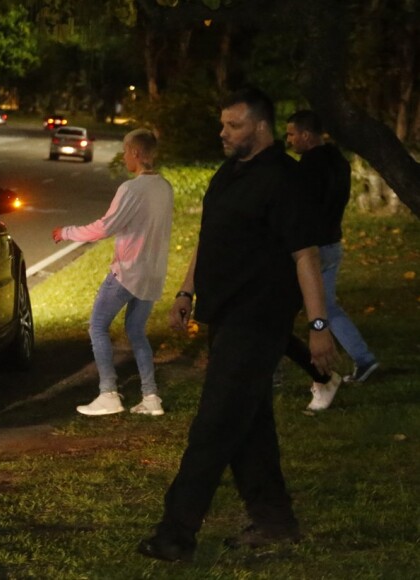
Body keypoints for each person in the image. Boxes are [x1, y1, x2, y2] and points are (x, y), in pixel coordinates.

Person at [138, 88, 336, 562]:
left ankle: (176, 533)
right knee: (250, 424)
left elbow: (305, 255)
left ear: (261, 128)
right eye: (223, 124)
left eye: (234, 126)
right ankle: (275, 521)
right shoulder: (229, 173)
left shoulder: (285, 181)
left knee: (215, 425)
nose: (223, 133)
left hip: (259, 319)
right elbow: (211, 239)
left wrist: (319, 324)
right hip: (224, 316)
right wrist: (187, 290)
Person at [52, 128, 173, 417]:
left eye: (124, 150)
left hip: (128, 272)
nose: (123, 156)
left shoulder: (131, 190)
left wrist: (66, 232)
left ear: (135, 153)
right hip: (153, 274)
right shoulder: (165, 187)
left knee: (97, 327)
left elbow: (105, 227)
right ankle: (151, 397)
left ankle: (108, 393)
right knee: (136, 331)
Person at [285, 110, 379, 408]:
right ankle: (364, 358)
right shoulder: (338, 160)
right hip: (333, 241)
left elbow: (301, 207)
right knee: (327, 305)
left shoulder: (309, 166)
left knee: (281, 306)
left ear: (306, 135)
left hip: (311, 249)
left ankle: (276, 369)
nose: (289, 140)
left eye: (291, 134)